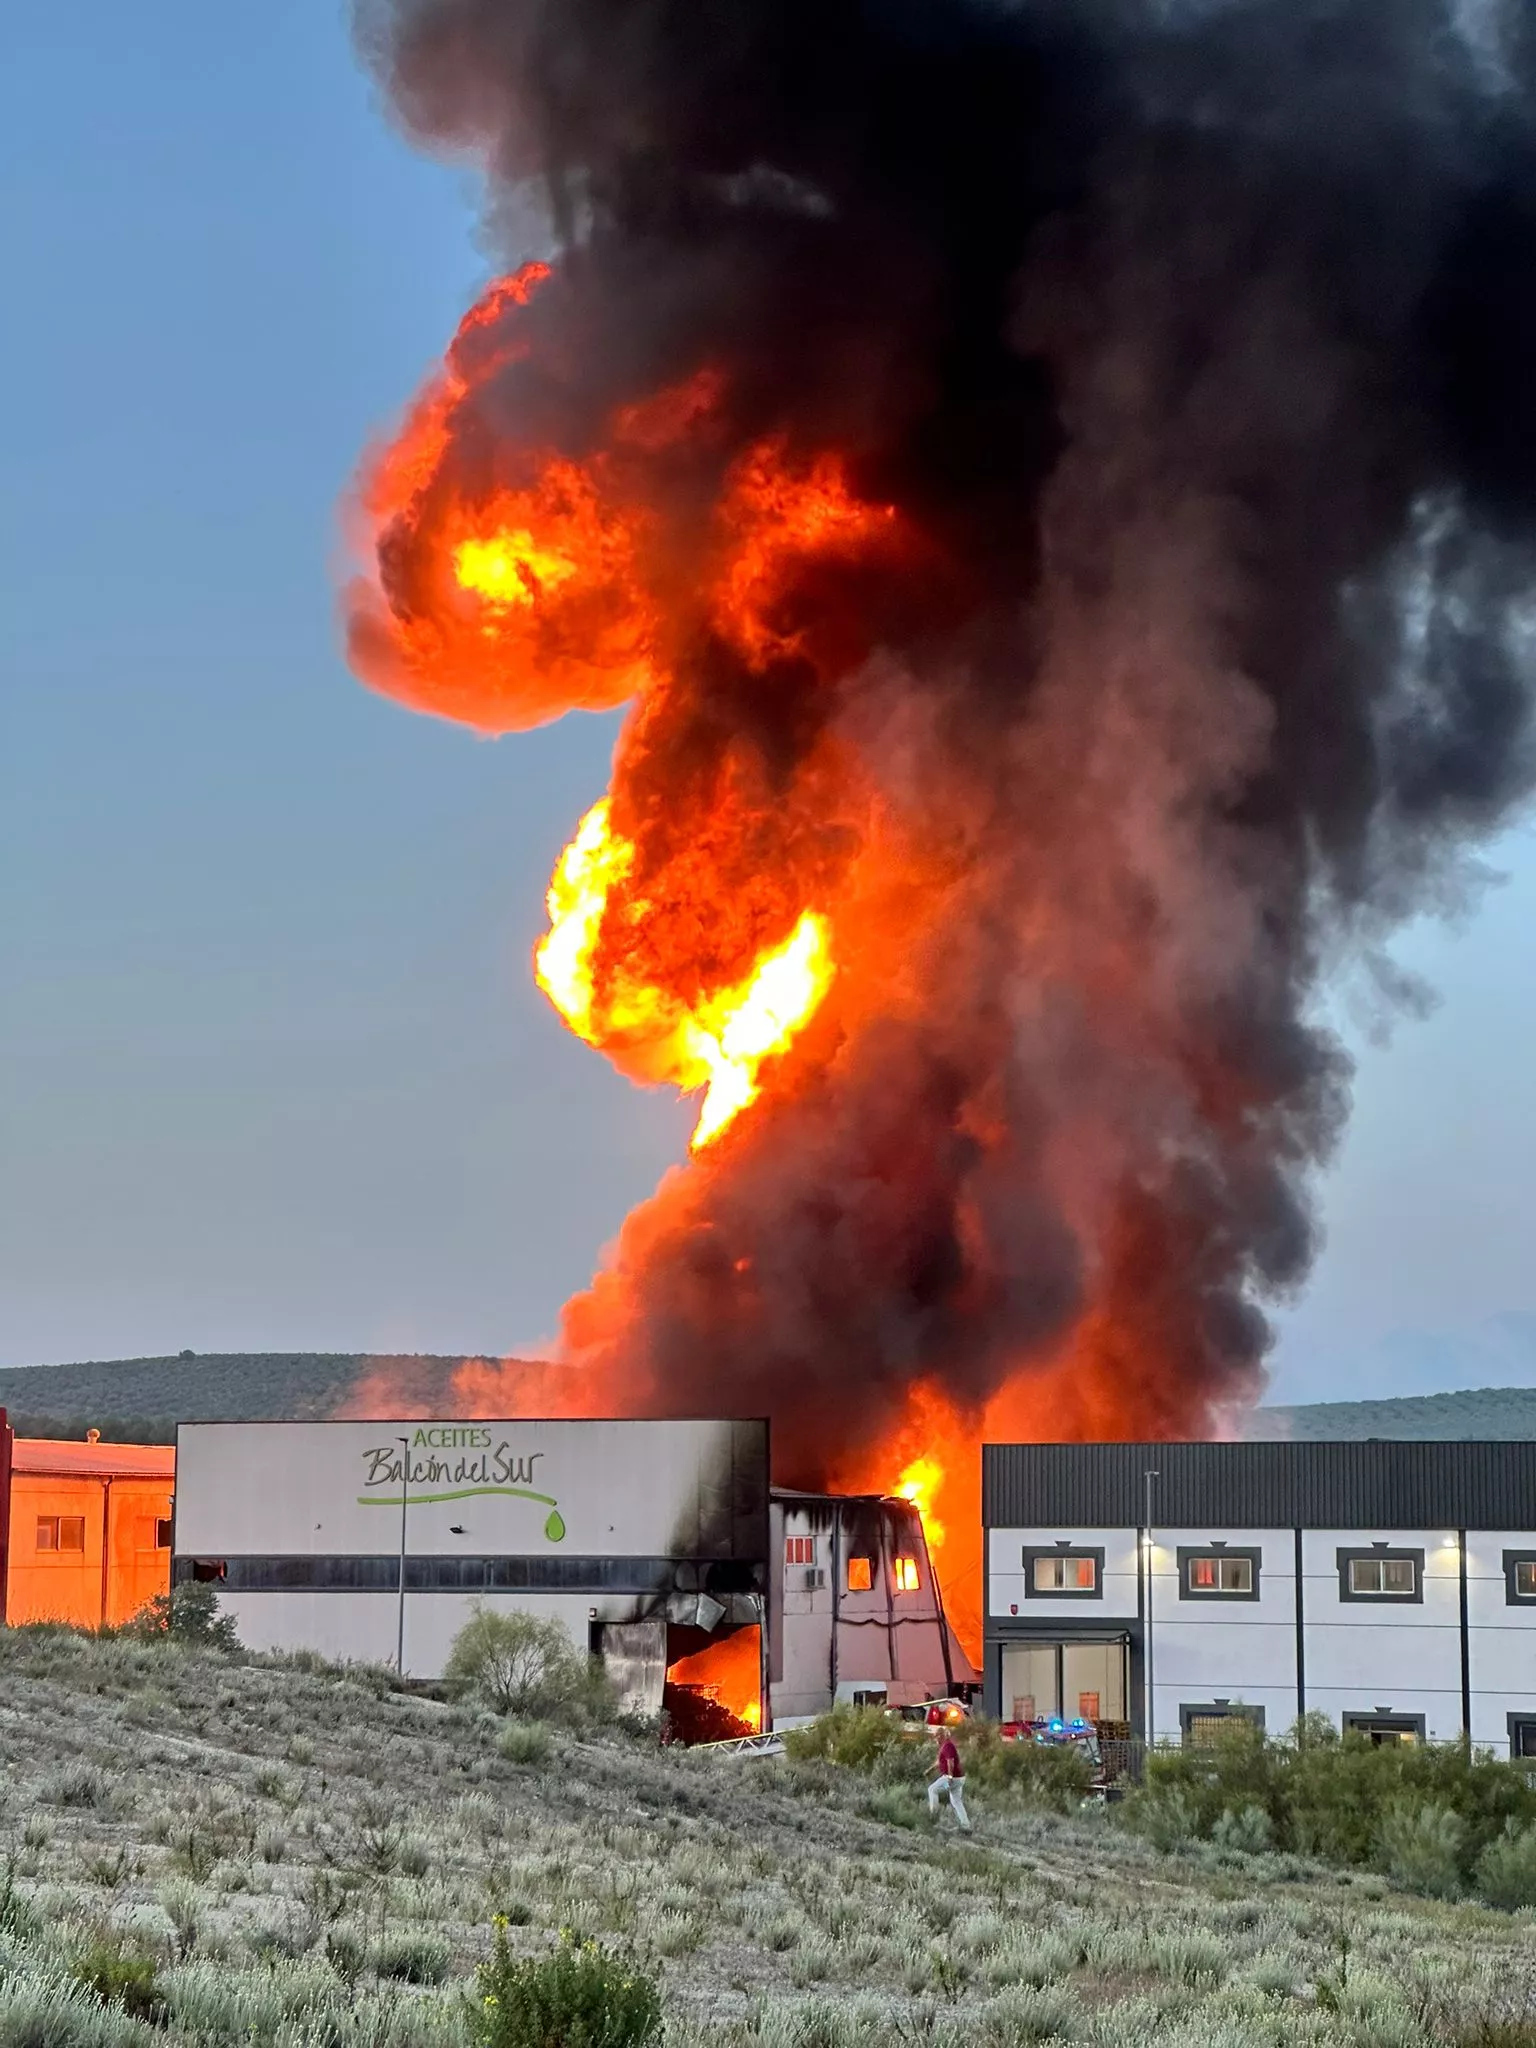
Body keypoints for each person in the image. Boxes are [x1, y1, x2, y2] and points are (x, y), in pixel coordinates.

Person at [927, 1730, 971, 1831]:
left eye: (936, 1736)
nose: (935, 1739)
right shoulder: (945, 1746)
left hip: (952, 1777)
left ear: (941, 1736)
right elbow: (939, 1762)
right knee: (956, 1801)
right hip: (959, 1777)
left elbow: (950, 1762)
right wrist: (929, 1771)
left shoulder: (947, 1746)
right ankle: (966, 1825)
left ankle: (934, 1818)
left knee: (932, 1790)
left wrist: (949, 1777)